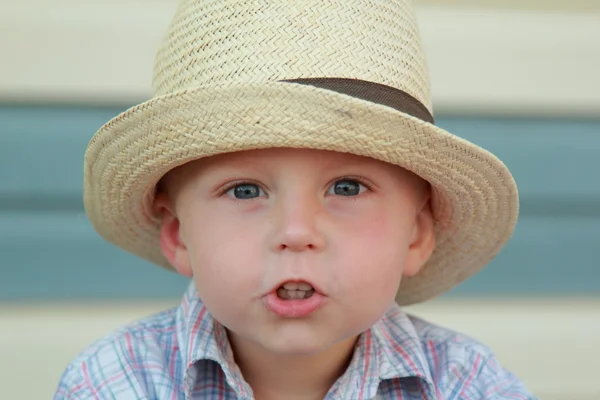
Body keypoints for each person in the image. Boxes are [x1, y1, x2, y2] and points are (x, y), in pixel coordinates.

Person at [54, 0, 537, 398]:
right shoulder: (117, 381)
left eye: (347, 187)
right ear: (178, 235)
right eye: (245, 190)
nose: (296, 232)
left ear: (417, 234)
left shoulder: (466, 382)